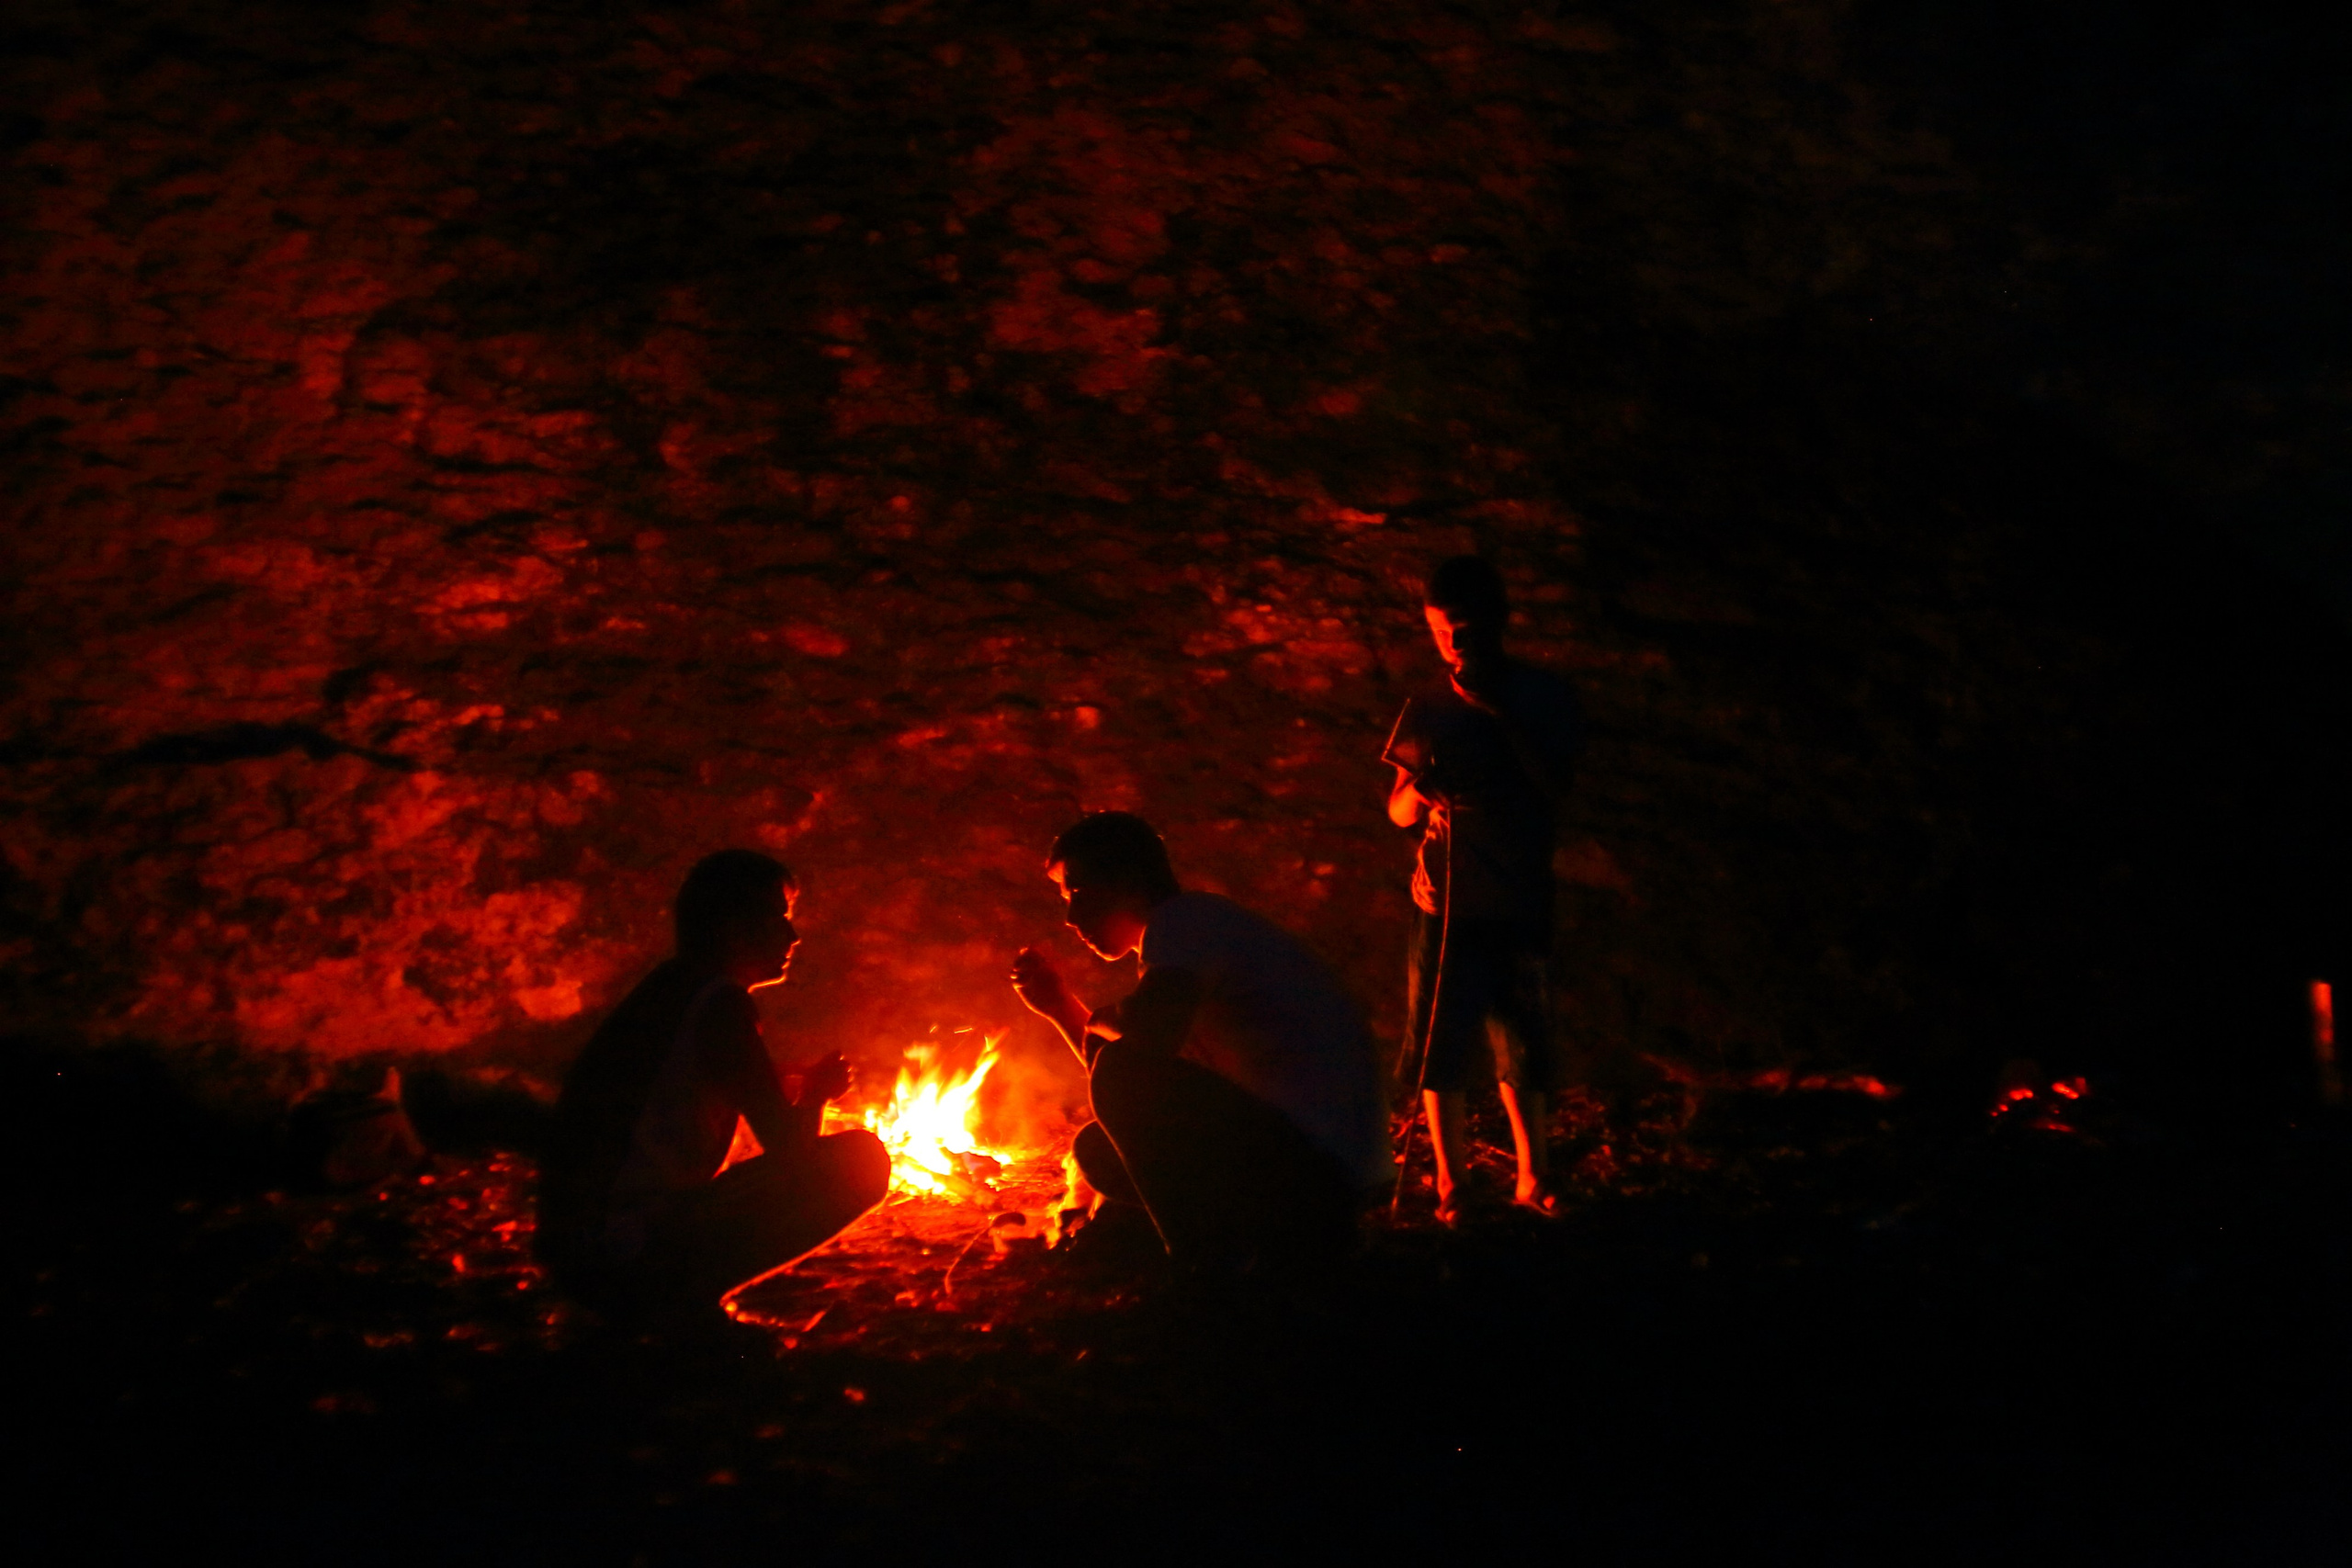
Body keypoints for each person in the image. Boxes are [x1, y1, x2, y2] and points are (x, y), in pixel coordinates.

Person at [1010, 812, 1391, 1269]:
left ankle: (1203, 1270)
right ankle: (1262, 1248)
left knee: (1122, 1078)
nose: (1070, 917)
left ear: (1128, 879)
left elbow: (1140, 1049)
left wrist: (1105, 1022)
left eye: (1077, 891)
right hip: (1318, 1166)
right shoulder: (1185, 945)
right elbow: (1138, 1064)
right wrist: (1061, 1008)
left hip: (1322, 1169)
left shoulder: (1186, 923)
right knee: (1099, 1148)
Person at [537, 850, 890, 1321]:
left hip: (580, 1250)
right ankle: (676, 1303)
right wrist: (818, 1094)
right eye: (779, 919)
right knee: (859, 1162)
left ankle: (674, 1302)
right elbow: (789, 1150)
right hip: (622, 1251)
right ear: (733, 928)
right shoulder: (717, 1004)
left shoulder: (672, 988)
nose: (794, 936)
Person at [1384, 556, 1582, 1223]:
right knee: (1441, 1044)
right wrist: (1420, 789)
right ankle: (1451, 1184)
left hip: (1517, 894)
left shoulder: (1543, 696)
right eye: (1441, 630)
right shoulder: (1428, 706)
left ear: (1497, 621)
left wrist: (1499, 716)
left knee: (1523, 1038)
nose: (1453, 643)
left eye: (1464, 628)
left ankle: (1534, 1177)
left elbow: (1557, 788)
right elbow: (1396, 811)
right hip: (1444, 900)